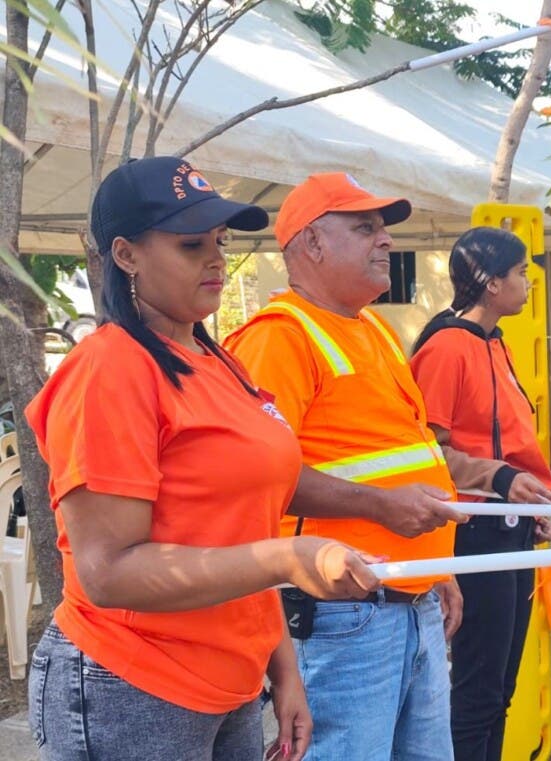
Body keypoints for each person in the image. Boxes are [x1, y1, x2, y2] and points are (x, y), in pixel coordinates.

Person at [24, 156, 382, 761]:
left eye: (219, 241)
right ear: (126, 255)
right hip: (132, 683)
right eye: (192, 245)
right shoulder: (112, 369)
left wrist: (283, 668)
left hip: (231, 682)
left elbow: (243, 526)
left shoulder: (218, 362)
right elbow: (107, 572)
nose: (216, 259)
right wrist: (287, 557)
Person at [225, 172, 476, 761]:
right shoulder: (278, 339)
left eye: (384, 229)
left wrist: (436, 568)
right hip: (344, 617)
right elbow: (255, 480)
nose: (385, 241)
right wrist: (381, 507)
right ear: (311, 243)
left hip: (406, 605)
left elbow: (404, 455)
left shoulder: (375, 330)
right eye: (364, 227)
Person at [408, 227, 551, 761]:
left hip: (510, 528)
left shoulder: (494, 342)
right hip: (475, 533)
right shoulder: (448, 347)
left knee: (501, 691)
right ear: (492, 283)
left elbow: (512, 442)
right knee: (478, 690)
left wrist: (528, 498)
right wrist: (498, 479)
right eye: (520, 273)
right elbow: (424, 450)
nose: (529, 282)